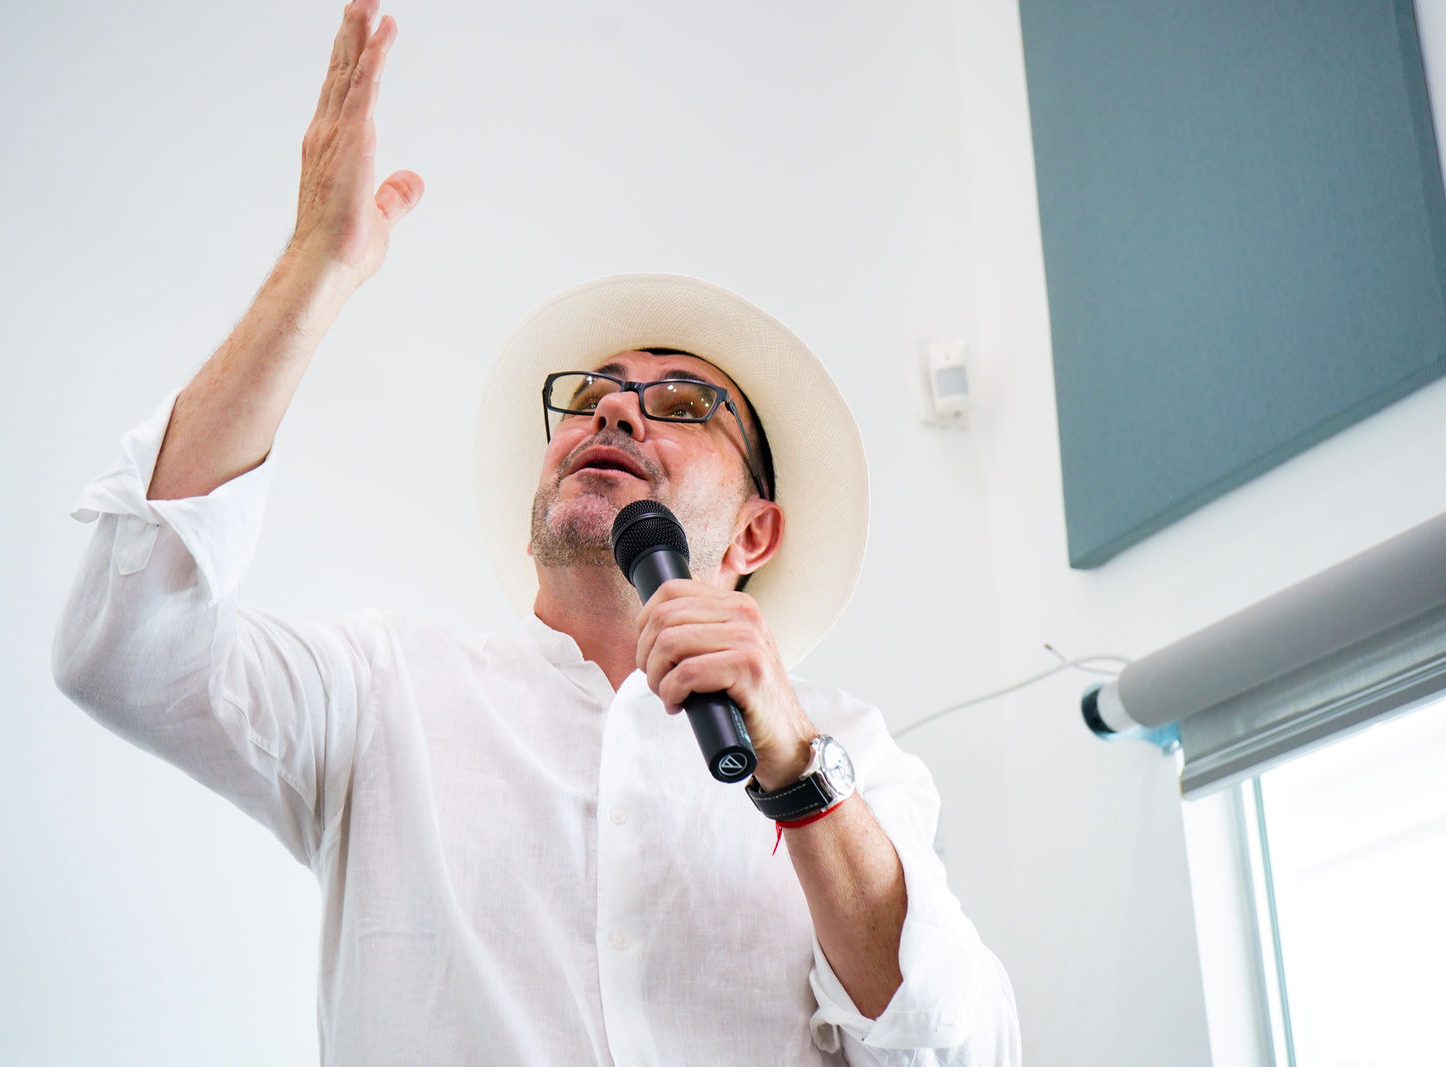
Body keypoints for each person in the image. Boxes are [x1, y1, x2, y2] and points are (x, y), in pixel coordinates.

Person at [53, 1, 1020, 1063]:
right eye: (592, 397)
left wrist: (798, 773)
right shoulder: (382, 697)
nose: (616, 412)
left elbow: (959, 1045)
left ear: (755, 534)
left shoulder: (855, 753)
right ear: (539, 518)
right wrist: (313, 268)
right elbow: (124, 648)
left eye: (681, 405)